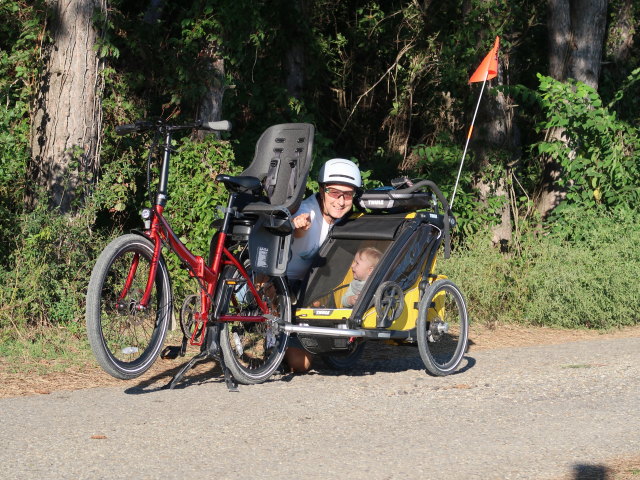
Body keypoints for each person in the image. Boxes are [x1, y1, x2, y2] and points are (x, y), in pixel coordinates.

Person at [284, 158, 362, 372]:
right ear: (321, 190)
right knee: (299, 364)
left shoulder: (346, 221)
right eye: (334, 192)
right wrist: (298, 226)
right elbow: (297, 227)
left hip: (311, 292)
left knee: (301, 365)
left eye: (348, 194)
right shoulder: (307, 211)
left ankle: (288, 344)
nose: (341, 201)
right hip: (283, 286)